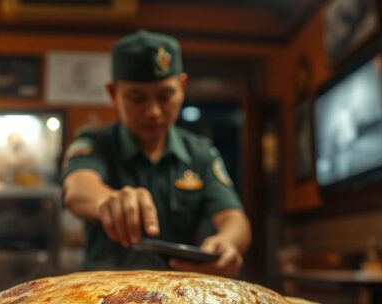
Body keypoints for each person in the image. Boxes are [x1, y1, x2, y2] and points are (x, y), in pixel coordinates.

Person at [61, 29, 251, 277]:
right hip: (101, 293)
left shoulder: (201, 153)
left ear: (182, 87)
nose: (153, 112)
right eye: (137, 98)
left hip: (175, 292)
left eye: (165, 96)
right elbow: (77, 188)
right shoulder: (95, 143)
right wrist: (106, 201)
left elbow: (234, 218)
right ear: (113, 94)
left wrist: (227, 243)